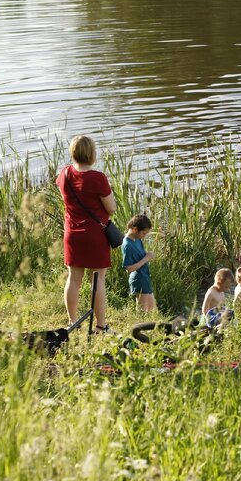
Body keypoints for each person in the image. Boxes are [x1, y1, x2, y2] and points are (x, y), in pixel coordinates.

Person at [56, 135, 116, 334]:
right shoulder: (97, 178)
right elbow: (112, 208)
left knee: (74, 278)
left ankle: (72, 322)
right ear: (91, 153)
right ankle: (100, 326)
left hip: (72, 234)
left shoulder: (64, 174)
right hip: (95, 235)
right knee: (97, 279)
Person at [121, 213, 156, 314]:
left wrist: (148, 254)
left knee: (152, 309)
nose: (144, 236)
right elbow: (129, 268)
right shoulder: (127, 244)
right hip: (138, 279)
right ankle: (140, 327)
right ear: (135, 229)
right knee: (144, 312)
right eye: (143, 233)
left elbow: (141, 254)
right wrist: (146, 258)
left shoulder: (137, 239)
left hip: (145, 277)